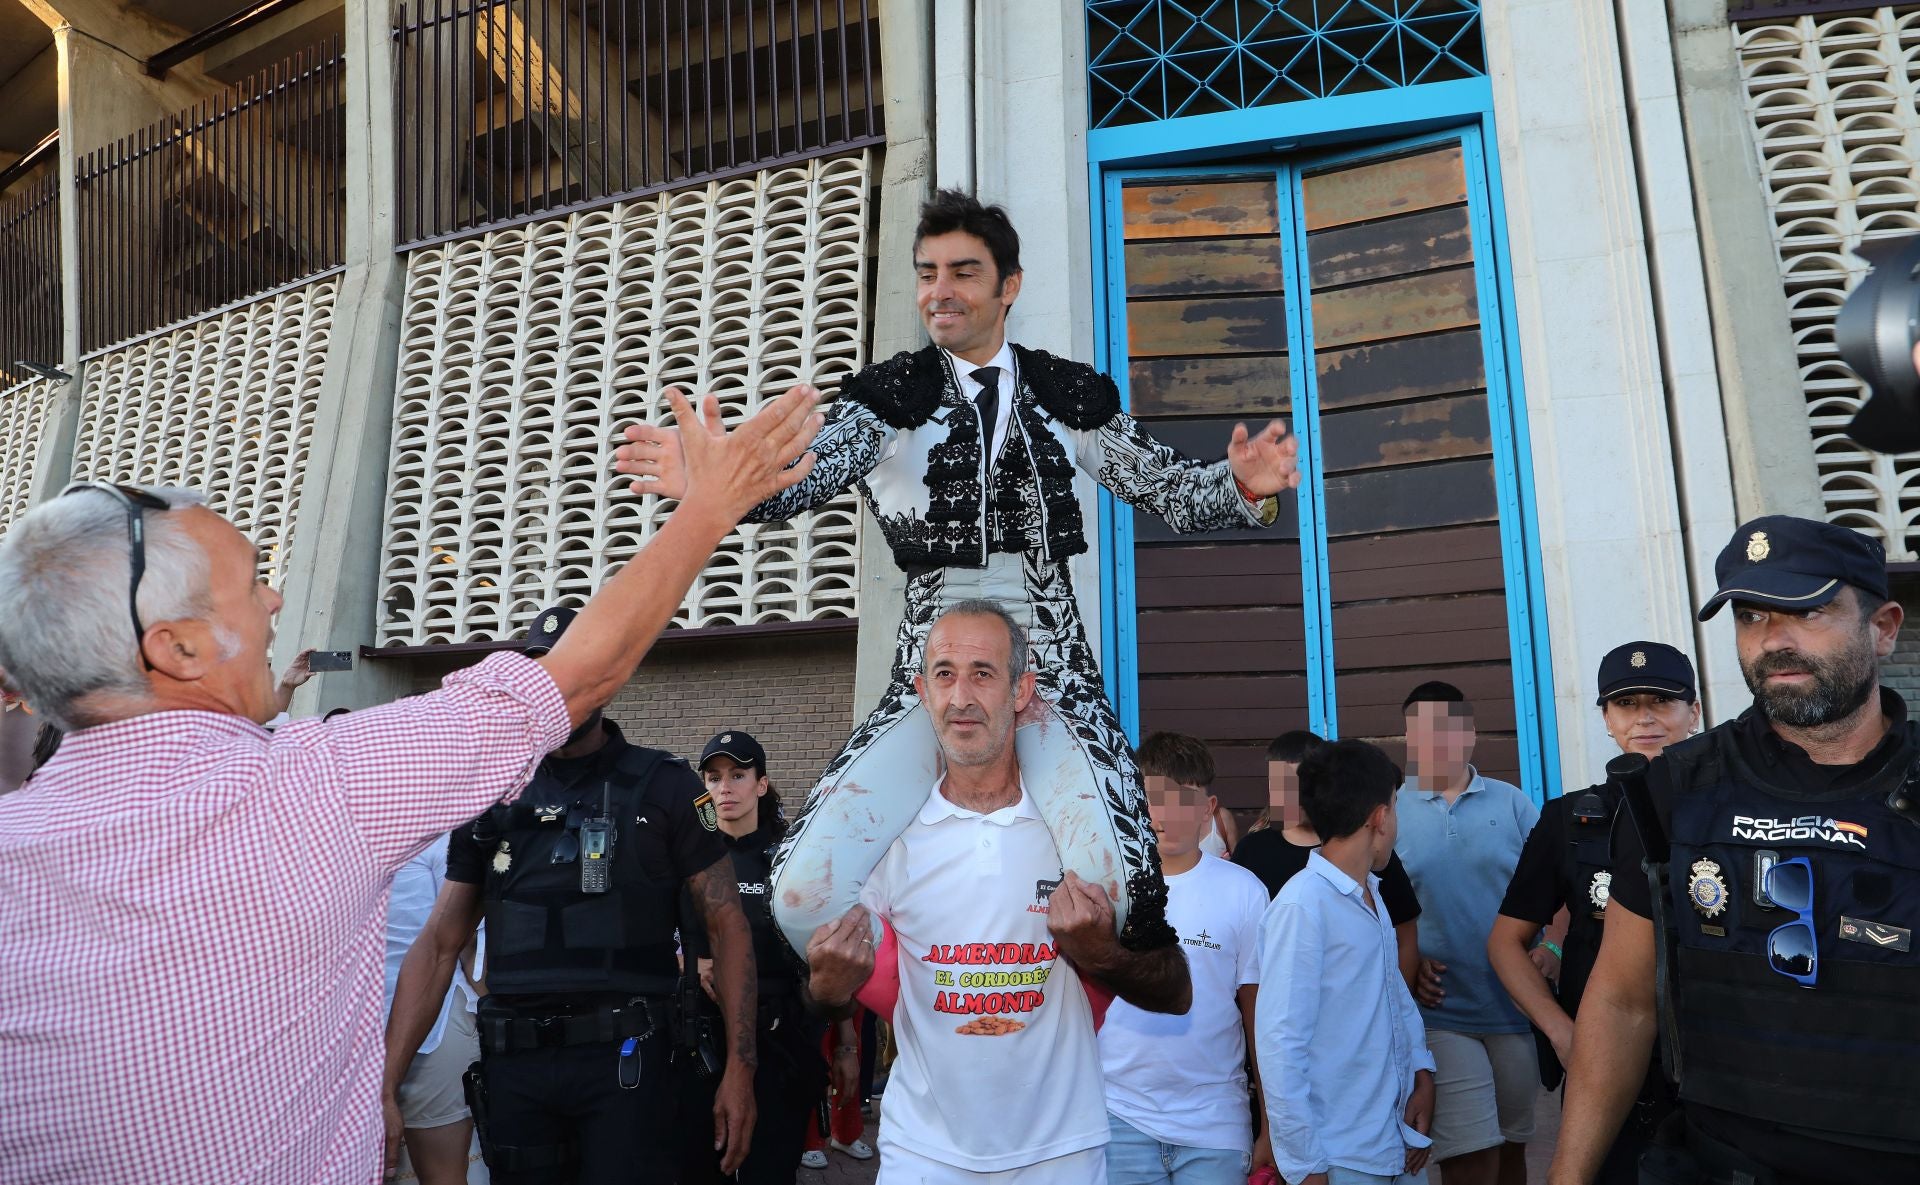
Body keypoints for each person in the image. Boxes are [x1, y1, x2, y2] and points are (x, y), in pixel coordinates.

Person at [0, 384, 822, 1183]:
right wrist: (708, 508)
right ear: (178, 650)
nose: (278, 596)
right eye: (252, 581)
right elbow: (573, 679)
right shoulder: (317, 786)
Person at [616, 189, 1303, 958]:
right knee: (802, 894)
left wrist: (1242, 486)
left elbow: (1165, 486)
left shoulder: (1065, 393)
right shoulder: (890, 400)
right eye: (928, 272)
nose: (940, 290)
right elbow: (803, 474)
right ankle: (932, 984)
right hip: (934, 663)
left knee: (1125, 885)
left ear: (1009, 285)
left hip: (1049, 667)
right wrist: (717, 482)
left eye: (964, 272)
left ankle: (1040, 992)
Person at [1552, 516, 1920, 1185]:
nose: (1774, 641)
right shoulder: (1674, 788)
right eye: (1751, 617)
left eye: (1808, 611)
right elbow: (1623, 1002)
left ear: (1884, 626)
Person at [804, 600, 1193, 1185]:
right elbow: (830, 995)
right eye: (944, 674)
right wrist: (830, 990)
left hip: (1062, 1154)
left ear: (1020, 690)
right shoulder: (883, 839)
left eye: (982, 673)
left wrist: (1099, 953)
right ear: (923, 691)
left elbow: (1177, 991)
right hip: (923, 1155)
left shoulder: (1080, 834)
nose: (961, 696)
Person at [384, 605, 758, 1185]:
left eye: (579, 669)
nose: (563, 689)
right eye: (548, 672)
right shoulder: (492, 790)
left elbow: (727, 923)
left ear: (609, 675)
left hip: (628, 1069)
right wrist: (385, 1084)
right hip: (518, 1069)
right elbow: (439, 944)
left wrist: (740, 1068)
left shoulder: (672, 786)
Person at [1489, 643, 1696, 1184]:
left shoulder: (1731, 812)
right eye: (1627, 704)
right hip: (1607, 1071)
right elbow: (1505, 942)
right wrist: (1563, 1034)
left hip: (1716, 1070)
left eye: (1663, 701)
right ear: (1606, 719)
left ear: (1694, 712)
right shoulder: (1569, 818)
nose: (1646, 717)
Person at [1257, 739, 1436, 1185]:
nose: (1397, 822)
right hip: (1339, 1159)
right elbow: (1280, 1042)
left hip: (1392, 1144)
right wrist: (1305, 1165)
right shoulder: (1302, 906)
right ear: (1379, 817)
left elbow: (1393, 993)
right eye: (1395, 808)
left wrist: (1421, 1070)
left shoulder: (1372, 893)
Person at [1102, 731, 1272, 1185]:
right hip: (1117, 1115)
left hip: (1215, 1123)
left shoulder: (1244, 891)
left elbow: (1258, 1013)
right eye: (1154, 799)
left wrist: (1271, 1122)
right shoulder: (1105, 888)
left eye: (1183, 800)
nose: (1166, 815)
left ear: (1208, 808)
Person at [678, 729, 848, 1184]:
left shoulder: (791, 860)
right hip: (703, 1044)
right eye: (713, 779)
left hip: (779, 1040)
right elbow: (649, 934)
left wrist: (846, 1042)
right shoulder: (688, 857)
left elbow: (828, 952)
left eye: (737, 775)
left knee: (770, 1171)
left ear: (761, 784)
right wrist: (687, 963)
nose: (724, 788)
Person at [1393, 682, 1539, 1185]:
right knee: (1469, 1156)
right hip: (1441, 1013)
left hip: (1516, 1009)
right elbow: (1375, 908)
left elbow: (1555, 889)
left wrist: (1554, 948)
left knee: (1513, 1148)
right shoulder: (1389, 814)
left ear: (1470, 734)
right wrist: (1408, 964)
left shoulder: (1514, 804)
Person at [1234, 730, 1423, 988]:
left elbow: (1405, 936)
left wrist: (1395, 1007)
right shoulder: (1251, 850)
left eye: (1299, 785)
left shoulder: (1368, 854)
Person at [382, 820, 486, 1185]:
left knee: (441, 1173)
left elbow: (460, 942)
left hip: (432, 1027)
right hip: (356, 1031)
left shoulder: (441, 834)